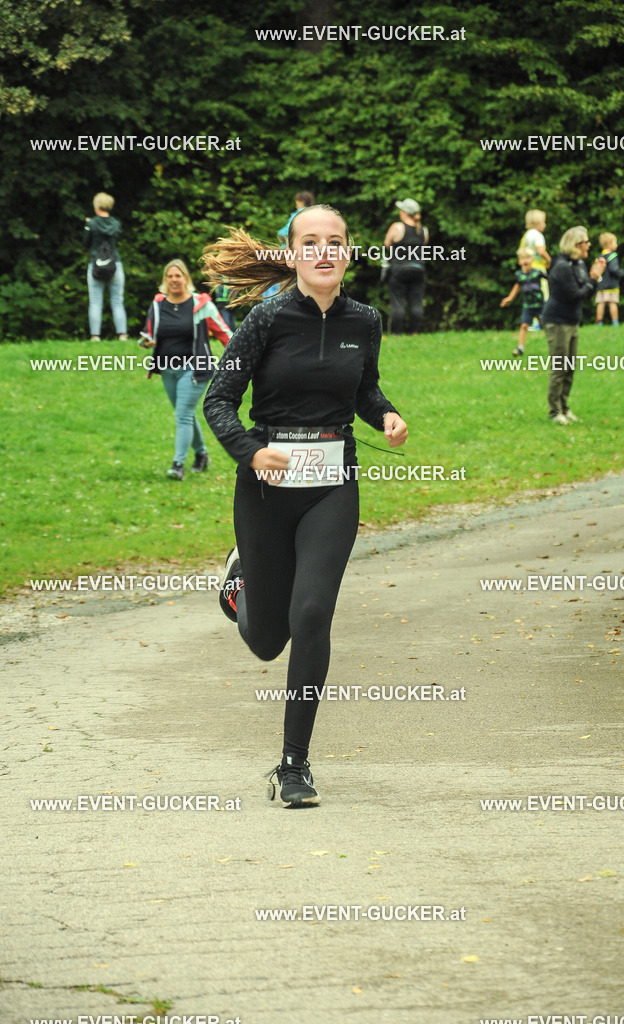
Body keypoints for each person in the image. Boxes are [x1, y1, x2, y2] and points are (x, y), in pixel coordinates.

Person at [201, 205, 408, 808]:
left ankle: (293, 765)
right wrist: (250, 451)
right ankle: (239, 587)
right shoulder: (267, 319)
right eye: (310, 243)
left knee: (312, 615)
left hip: (331, 483)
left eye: (335, 242)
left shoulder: (364, 320)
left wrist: (385, 414)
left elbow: (363, 386)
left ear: (349, 252)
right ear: (292, 255)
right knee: (267, 639)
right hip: (267, 489)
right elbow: (219, 400)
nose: (323, 251)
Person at [139, 259, 231, 480]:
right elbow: (146, 335)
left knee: (182, 415)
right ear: (165, 280)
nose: (174, 280)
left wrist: (241, 359)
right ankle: (202, 455)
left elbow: (224, 333)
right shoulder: (158, 305)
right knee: (186, 415)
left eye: (178, 276)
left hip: (194, 368)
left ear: (186, 279)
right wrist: (146, 342)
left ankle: (177, 465)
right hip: (167, 369)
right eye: (170, 276)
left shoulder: (201, 304)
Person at [541, 227, 605, 424]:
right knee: (560, 367)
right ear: (576, 245)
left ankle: (564, 407)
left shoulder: (578, 264)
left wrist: (595, 277)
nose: (589, 245)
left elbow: (585, 289)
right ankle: (555, 412)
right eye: (586, 242)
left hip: (572, 321)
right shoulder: (562, 267)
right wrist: (593, 279)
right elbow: (576, 294)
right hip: (557, 322)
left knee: (570, 367)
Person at [83, 192, 128, 341]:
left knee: (95, 301)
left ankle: (95, 336)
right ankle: (122, 335)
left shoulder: (92, 224)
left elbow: (86, 244)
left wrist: (87, 226)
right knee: (117, 301)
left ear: (97, 206)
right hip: (115, 264)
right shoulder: (116, 224)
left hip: (95, 265)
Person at [383, 199, 429, 334]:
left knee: (397, 301)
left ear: (404, 213)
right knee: (416, 301)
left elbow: (387, 243)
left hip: (399, 268)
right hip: (418, 268)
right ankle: (414, 332)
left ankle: (396, 333)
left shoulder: (397, 227)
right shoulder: (423, 230)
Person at [500, 246, 548, 356]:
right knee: (524, 325)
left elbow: (550, 279)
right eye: (522, 258)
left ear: (532, 259)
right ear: (519, 261)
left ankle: (555, 346)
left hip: (540, 304)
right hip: (528, 305)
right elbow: (517, 286)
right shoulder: (519, 275)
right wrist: (510, 298)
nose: (525, 260)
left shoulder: (537, 273)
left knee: (546, 325)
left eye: (528, 257)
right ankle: (520, 348)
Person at [520, 209, 551, 330]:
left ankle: (532, 321)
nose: (545, 224)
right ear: (537, 223)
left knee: (531, 295)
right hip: (538, 268)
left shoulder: (526, 235)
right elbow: (540, 250)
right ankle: (541, 321)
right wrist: (549, 259)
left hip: (527, 269)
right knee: (543, 294)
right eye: (543, 222)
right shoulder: (538, 235)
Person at [594, 232, 624, 326]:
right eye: (615, 242)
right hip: (612, 284)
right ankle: (615, 322)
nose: (617, 245)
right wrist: (621, 273)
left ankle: (599, 323)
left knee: (601, 303)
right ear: (609, 243)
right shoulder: (612, 256)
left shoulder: (599, 256)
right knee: (612, 303)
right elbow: (613, 269)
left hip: (601, 284)